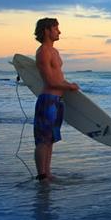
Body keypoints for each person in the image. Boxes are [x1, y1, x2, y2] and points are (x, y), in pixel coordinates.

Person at [33, 17, 79, 180]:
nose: (59, 32)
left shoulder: (54, 52)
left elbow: (58, 78)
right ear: (47, 30)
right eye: (56, 28)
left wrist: (68, 84)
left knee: (50, 139)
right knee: (43, 140)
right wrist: (69, 87)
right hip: (48, 101)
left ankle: (47, 172)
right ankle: (41, 175)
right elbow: (50, 81)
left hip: (57, 101)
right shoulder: (43, 52)